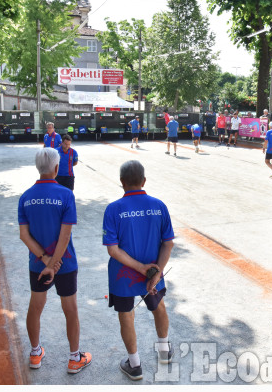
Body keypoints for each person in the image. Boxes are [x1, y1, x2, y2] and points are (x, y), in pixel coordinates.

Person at [17, 147, 92, 373]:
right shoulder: (66, 195)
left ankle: (35, 353)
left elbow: (24, 235)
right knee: (70, 309)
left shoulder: (26, 197)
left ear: (38, 168)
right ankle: (73, 358)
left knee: (35, 307)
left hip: (37, 264)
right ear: (57, 168)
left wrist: (45, 260)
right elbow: (65, 234)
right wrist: (54, 264)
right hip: (65, 263)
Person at [102, 160, 174, 380]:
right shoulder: (159, 205)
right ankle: (164, 351)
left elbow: (113, 250)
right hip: (153, 272)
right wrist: (156, 271)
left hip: (123, 275)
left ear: (121, 182)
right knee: (158, 306)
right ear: (143, 181)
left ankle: (135, 365)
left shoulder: (113, 209)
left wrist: (139, 268)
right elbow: (168, 243)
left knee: (126, 315)